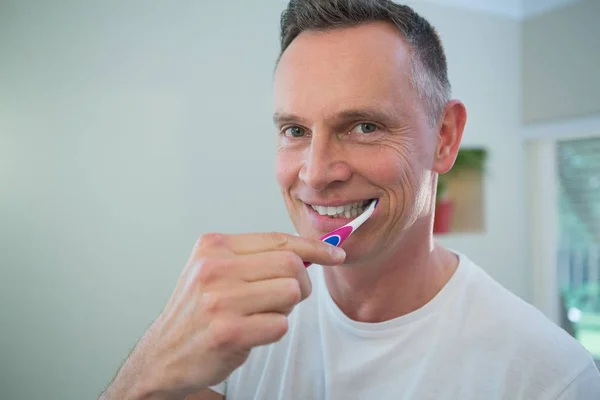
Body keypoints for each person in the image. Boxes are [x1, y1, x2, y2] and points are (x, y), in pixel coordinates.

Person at [99, 1, 600, 399]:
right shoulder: (233, 329)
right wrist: (149, 372)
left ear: (445, 138)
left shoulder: (549, 377)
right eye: (295, 130)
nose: (316, 173)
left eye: (364, 127)